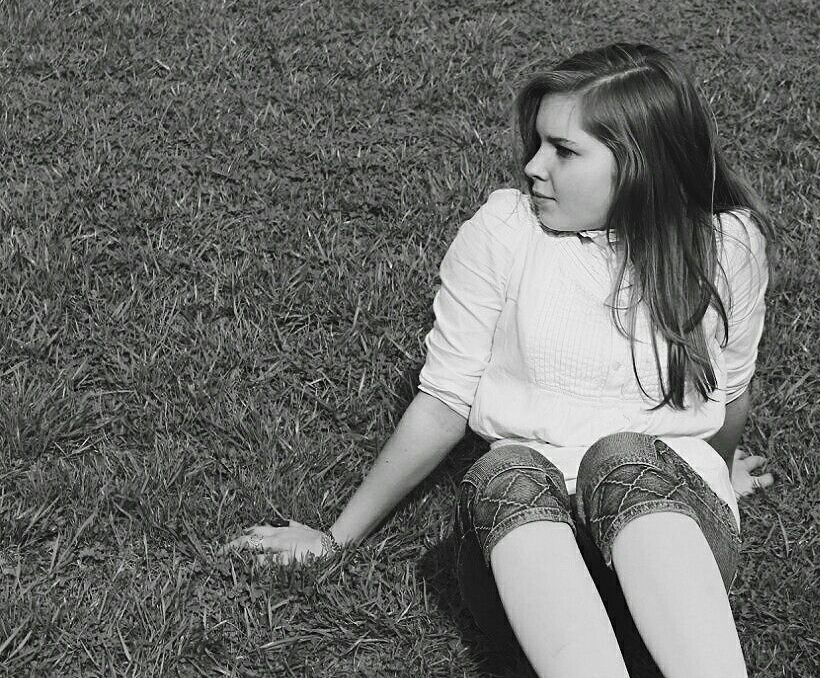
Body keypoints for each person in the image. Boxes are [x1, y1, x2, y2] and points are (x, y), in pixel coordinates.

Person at [225, 42, 776, 678]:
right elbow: (444, 400)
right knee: (506, 467)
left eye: (564, 151)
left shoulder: (725, 246)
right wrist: (335, 537)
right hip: (526, 555)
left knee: (622, 457)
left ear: (639, 165)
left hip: (668, 537)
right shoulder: (504, 231)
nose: (534, 167)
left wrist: (715, 463)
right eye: (537, 143)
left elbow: (729, 390)